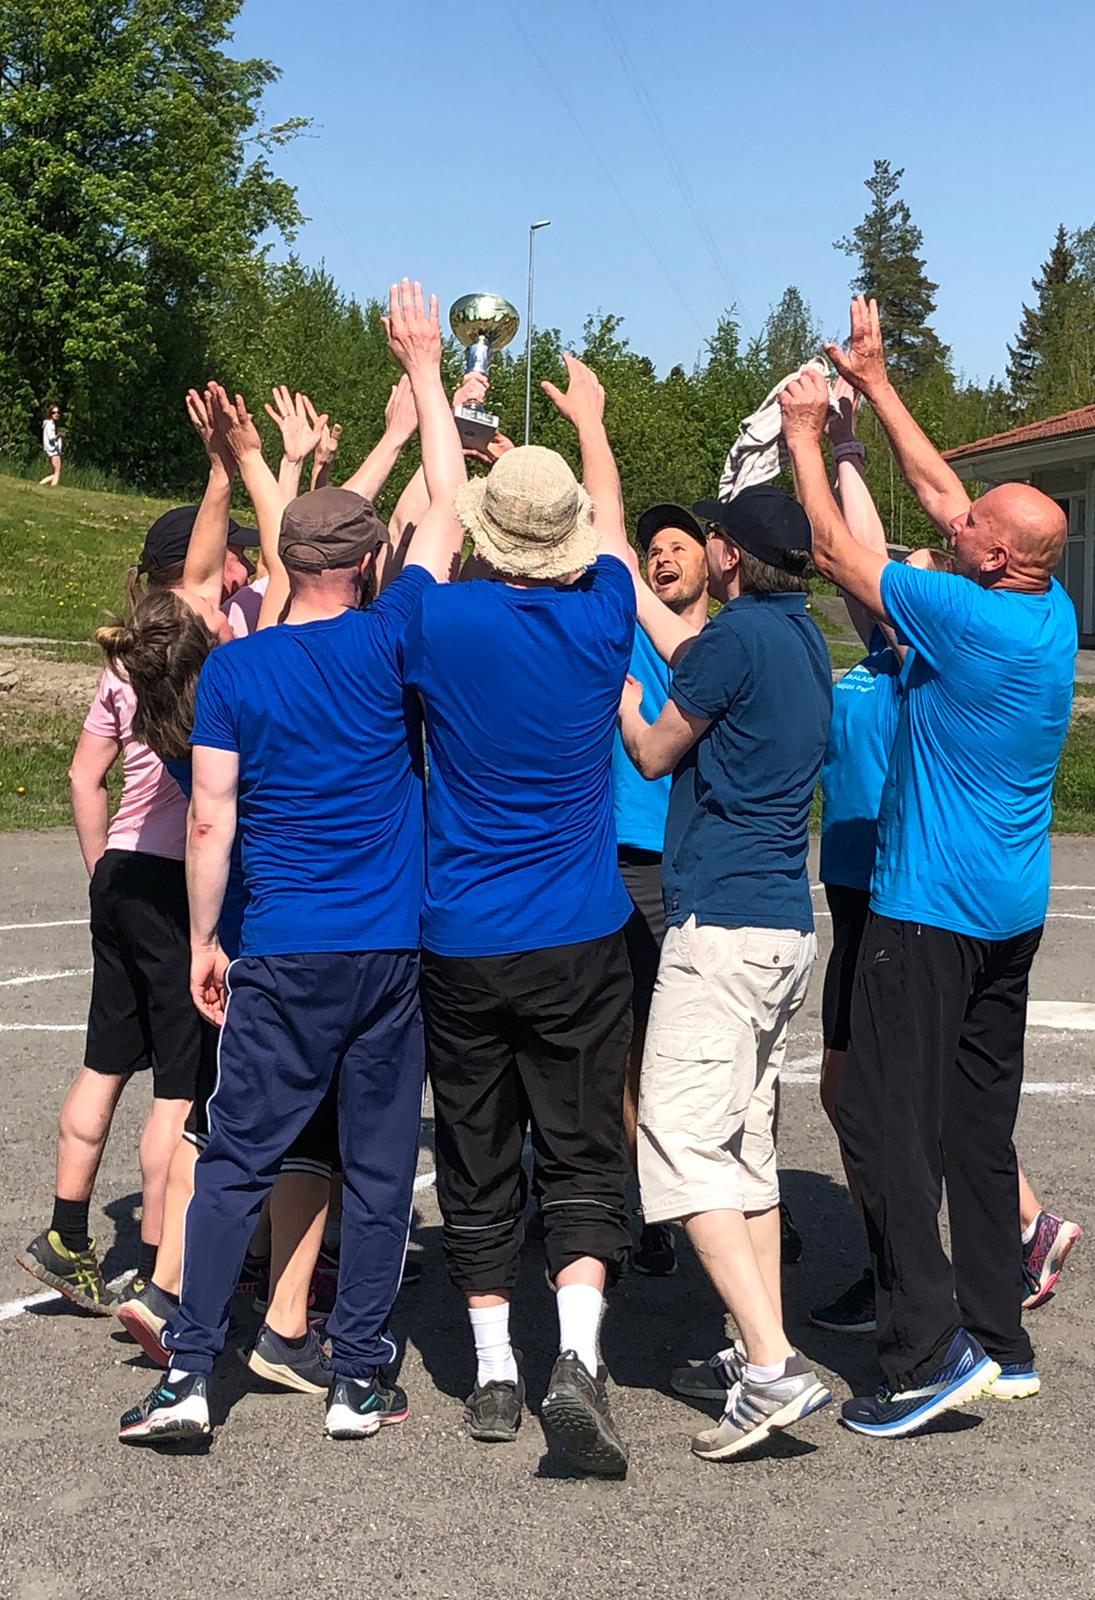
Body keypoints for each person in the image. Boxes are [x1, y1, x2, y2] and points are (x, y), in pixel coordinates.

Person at [117, 278, 464, 1446]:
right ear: (365, 561)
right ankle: (357, 1375)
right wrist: (424, 369)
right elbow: (448, 504)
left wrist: (203, 940)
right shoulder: (394, 636)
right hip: (388, 948)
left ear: (286, 563)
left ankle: (187, 1376)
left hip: (281, 946)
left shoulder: (237, 666)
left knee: (236, 1162)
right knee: (379, 1166)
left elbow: (210, 820)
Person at [781, 295, 1077, 1439]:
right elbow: (952, 498)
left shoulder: (966, 617)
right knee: (975, 1130)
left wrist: (808, 436)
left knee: (880, 1122)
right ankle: (1003, 1343)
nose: (952, 523)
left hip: (931, 914)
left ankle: (922, 1353)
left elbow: (834, 552)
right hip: (1009, 913)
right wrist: (878, 380)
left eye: (971, 527)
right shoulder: (1045, 604)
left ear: (994, 557)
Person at [407, 355, 636, 1477]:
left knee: (475, 1145)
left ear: (486, 533)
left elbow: (424, 536)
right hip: (579, 929)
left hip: (460, 932)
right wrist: (592, 425)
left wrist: (431, 390)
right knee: (585, 1147)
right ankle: (578, 1356)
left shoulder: (440, 620)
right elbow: (619, 537)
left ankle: (494, 1367)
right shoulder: (605, 619)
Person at [619, 482, 833, 1464]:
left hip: (720, 927)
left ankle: (774, 1363)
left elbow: (655, 752)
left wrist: (624, 705)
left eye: (711, 537)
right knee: (747, 1147)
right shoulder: (799, 638)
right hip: (783, 924)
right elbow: (689, 651)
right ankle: (759, 1347)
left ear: (732, 556)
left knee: (675, 1137)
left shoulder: (733, 638)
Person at [14, 462, 251, 1313]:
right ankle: (159, 1271)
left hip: (117, 871)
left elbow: (85, 776)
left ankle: (65, 1233)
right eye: (227, 555)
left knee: (104, 1061)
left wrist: (98, 871)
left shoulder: (126, 659)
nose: (238, 566)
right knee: (180, 1087)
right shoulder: (202, 651)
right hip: (172, 879)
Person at [618, 504, 710, 1279]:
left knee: (703, 1045)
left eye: (679, 545)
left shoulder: (725, 646)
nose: (662, 556)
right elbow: (608, 551)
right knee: (625, 1041)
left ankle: (749, 1197)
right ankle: (643, 1202)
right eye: (652, 549)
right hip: (619, 860)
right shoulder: (627, 632)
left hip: (696, 865)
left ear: (716, 560)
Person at [39, 404, 63, 486]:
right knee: (57, 471)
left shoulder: (52, 424)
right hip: (52, 450)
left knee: (56, 471)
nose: (56, 414)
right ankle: (51, 486)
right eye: (54, 412)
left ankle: (42, 484)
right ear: (50, 414)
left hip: (52, 450)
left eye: (58, 412)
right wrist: (58, 436)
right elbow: (51, 438)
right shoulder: (50, 424)